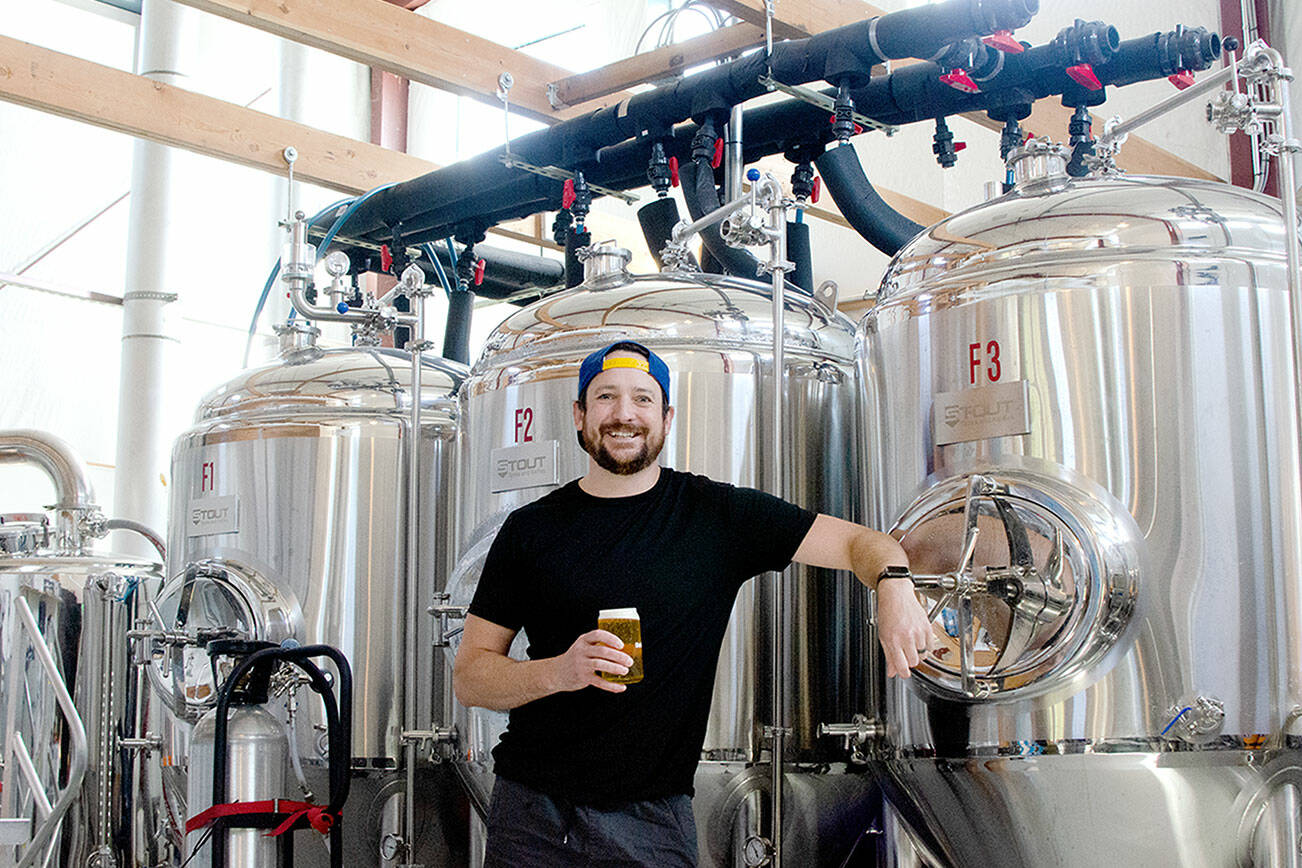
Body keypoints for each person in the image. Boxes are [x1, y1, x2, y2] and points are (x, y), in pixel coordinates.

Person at [453, 341, 932, 867]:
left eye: (642, 399)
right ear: (580, 415)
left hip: (652, 824)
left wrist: (893, 584)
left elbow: (861, 543)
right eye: (606, 397)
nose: (624, 414)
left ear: (666, 417)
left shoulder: (715, 517)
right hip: (532, 818)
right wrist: (560, 671)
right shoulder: (531, 529)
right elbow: (471, 676)